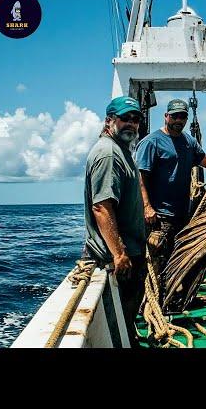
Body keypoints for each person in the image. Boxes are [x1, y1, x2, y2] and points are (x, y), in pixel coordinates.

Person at [83, 96, 147, 348]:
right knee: (118, 319)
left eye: (136, 119)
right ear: (110, 120)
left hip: (128, 253)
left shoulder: (121, 150)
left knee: (125, 318)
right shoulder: (109, 154)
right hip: (118, 259)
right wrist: (119, 255)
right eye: (125, 118)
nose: (131, 124)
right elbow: (102, 207)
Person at [135, 99, 206, 273]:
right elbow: (140, 177)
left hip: (183, 215)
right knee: (160, 264)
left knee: (178, 261)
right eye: (174, 116)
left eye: (182, 116)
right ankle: (161, 298)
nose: (178, 121)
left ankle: (176, 295)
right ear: (166, 116)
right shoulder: (151, 142)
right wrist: (147, 207)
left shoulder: (188, 142)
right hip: (159, 217)